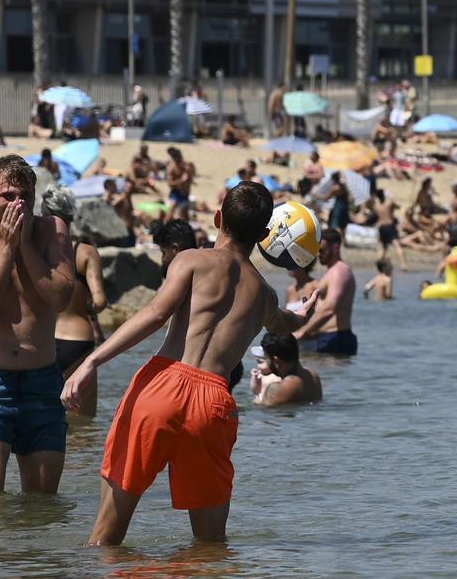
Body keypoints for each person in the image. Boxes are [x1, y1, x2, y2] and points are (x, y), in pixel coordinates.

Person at [62, 183, 311, 546]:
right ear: (262, 236)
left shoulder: (191, 260)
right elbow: (284, 324)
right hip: (214, 402)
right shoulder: (264, 295)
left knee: (106, 538)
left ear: (217, 218)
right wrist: (303, 314)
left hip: (163, 384)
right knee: (211, 546)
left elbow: (154, 314)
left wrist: (92, 361)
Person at [0, 155, 78, 495]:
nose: (18, 204)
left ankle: (31, 552)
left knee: (42, 500)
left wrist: (24, 246)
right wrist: (7, 249)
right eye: (9, 196)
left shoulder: (53, 231)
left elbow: (60, 298)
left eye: (26, 196)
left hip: (42, 382)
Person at [42, 191, 110, 418]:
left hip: (44, 339)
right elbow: (100, 301)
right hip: (77, 340)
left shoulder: (36, 250)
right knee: (81, 423)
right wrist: (84, 307)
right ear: (71, 215)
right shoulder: (85, 252)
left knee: (45, 418)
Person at [296, 238, 358, 355]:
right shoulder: (332, 272)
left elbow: (330, 308)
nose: (319, 254)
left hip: (336, 338)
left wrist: (303, 332)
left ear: (335, 247)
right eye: (317, 251)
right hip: (328, 337)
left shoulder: (339, 271)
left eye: (322, 250)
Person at [250, 332, 322, 407]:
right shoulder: (313, 375)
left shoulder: (280, 387)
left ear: (276, 361)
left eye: (266, 358)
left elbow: (263, 412)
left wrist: (257, 400)